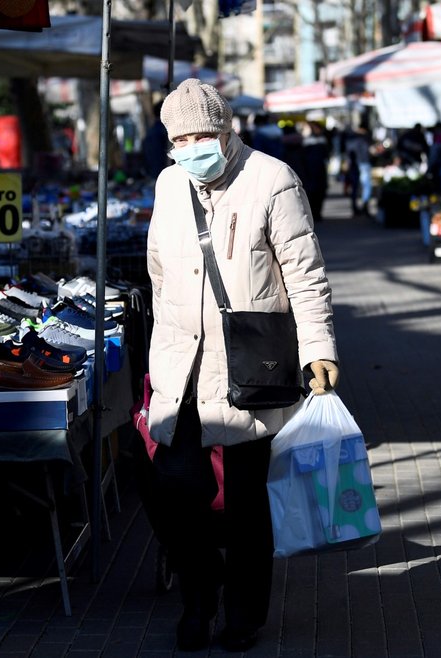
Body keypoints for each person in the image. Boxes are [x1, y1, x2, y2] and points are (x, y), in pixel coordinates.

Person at [144, 78, 339, 652]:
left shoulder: (273, 179)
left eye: (203, 134)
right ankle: (198, 601)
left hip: (251, 368)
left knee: (250, 503)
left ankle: (243, 615)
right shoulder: (168, 184)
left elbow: (305, 275)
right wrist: (159, 354)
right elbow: (158, 271)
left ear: (228, 131)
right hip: (181, 366)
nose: (193, 146)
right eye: (181, 138)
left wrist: (319, 349)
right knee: (179, 494)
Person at [299, 121, 330, 222]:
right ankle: (317, 213)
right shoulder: (321, 140)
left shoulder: (306, 141)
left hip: (311, 170)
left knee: (312, 192)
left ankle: (314, 213)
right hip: (318, 169)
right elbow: (326, 155)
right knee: (318, 192)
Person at [347, 125, 373, 215]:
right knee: (366, 186)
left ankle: (355, 207)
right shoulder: (363, 139)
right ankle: (365, 206)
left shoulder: (350, 138)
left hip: (354, 165)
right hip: (363, 163)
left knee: (355, 187)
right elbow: (367, 152)